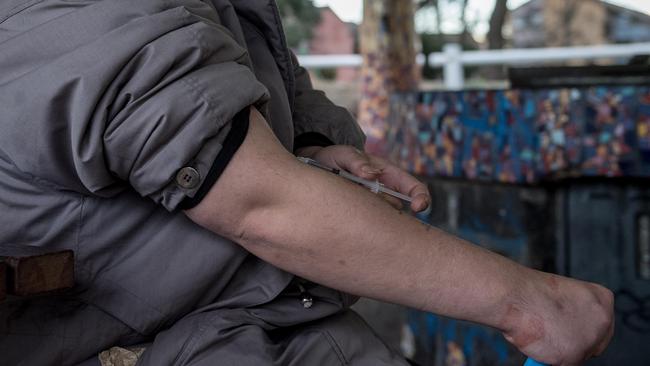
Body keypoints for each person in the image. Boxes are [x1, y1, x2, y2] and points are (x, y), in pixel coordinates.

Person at [0, 0, 613, 365]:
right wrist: (532, 304)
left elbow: (263, 76)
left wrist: (314, 144)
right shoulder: (79, 16)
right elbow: (264, 205)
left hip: (265, 316)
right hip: (158, 343)